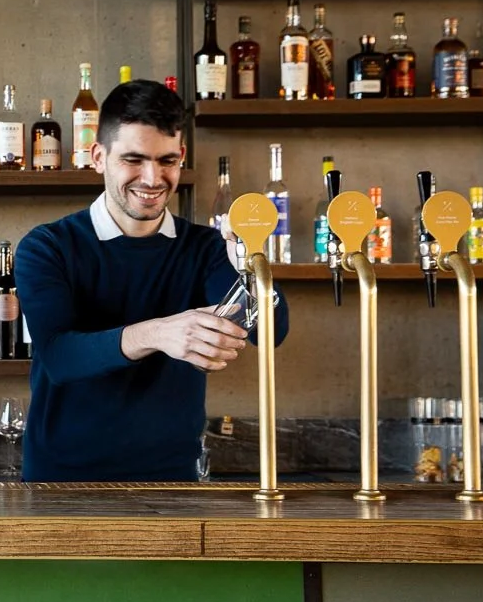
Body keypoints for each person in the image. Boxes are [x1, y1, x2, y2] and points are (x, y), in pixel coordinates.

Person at [15, 79, 289, 481]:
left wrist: (251, 266)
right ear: (98, 157)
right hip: (61, 482)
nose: (152, 178)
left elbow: (270, 332)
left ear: (181, 158)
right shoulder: (48, 247)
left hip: (173, 480)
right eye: (134, 159)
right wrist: (159, 333)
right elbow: (59, 357)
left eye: (166, 161)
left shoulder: (206, 248)